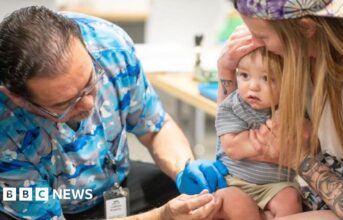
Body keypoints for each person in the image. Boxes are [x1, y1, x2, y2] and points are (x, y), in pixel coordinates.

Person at [0, 6, 227, 219]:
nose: (89, 105)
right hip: (46, 207)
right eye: (66, 103)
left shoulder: (109, 46)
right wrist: (161, 216)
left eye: (90, 82)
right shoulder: (5, 127)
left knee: (202, 204)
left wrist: (184, 169)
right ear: (17, 98)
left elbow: (155, 128)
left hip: (115, 184)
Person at [217, 0, 343, 219]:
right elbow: (231, 137)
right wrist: (226, 68)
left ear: (306, 28)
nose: (255, 43)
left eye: (262, 37)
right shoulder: (301, 57)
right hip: (315, 194)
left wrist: (299, 157)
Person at [213, 47, 302, 220]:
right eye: (245, 75)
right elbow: (233, 149)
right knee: (234, 202)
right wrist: (270, 139)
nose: (252, 86)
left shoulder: (292, 109)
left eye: (266, 78)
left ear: (288, 82)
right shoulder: (233, 106)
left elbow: (301, 145)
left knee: (290, 200)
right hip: (236, 181)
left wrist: (251, 140)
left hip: (277, 184)